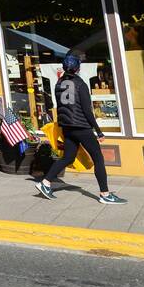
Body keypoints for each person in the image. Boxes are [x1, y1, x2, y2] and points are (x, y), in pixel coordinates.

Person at [37, 54, 125, 204]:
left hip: (67, 126)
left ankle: (45, 183)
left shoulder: (58, 83)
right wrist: (98, 131)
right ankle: (105, 194)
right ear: (77, 68)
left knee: (68, 157)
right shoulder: (80, 84)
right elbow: (87, 110)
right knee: (98, 158)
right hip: (81, 126)